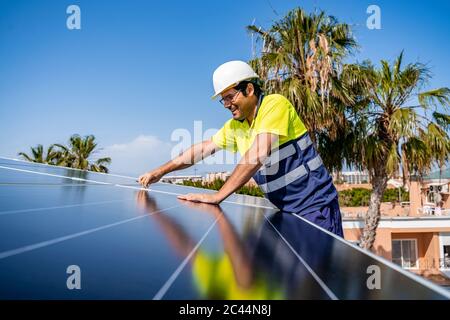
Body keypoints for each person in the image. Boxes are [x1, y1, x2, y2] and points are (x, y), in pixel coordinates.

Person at [138, 60, 343, 236]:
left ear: (250, 90)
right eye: (223, 100)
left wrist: (218, 196)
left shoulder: (274, 105)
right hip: (286, 212)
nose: (226, 104)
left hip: (316, 209)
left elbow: (258, 153)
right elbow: (201, 149)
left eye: (230, 96)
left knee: (317, 279)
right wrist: (160, 172)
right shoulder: (236, 126)